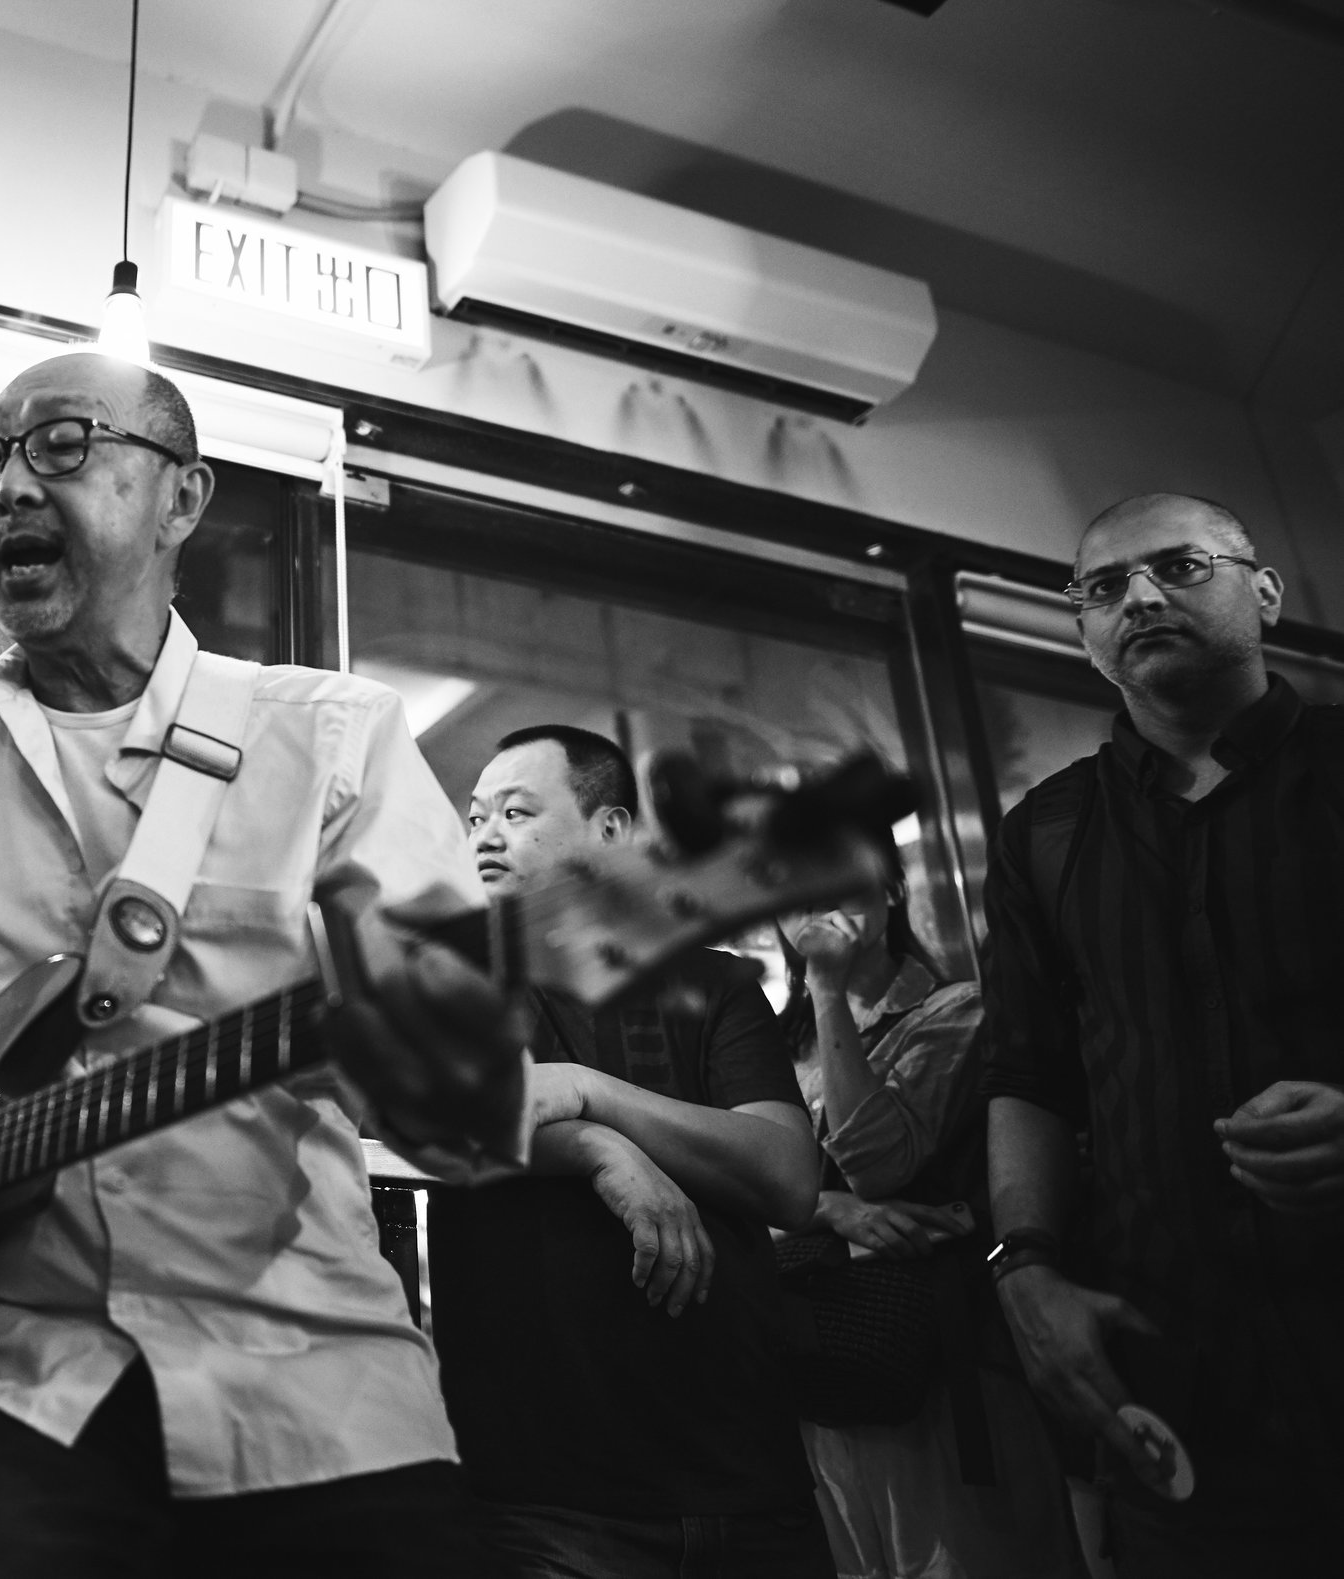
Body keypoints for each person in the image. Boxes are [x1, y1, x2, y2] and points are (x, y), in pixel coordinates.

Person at [0, 351, 524, 1578]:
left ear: (183, 499)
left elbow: (464, 1117)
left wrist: (433, 1056)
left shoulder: (330, 736)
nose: (6, 491)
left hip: (316, 1388)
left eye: (60, 446)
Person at [982, 492, 1344, 1577]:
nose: (1139, 596)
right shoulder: (1045, 829)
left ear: (1262, 592)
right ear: (1085, 631)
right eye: (1103, 587)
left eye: (1179, 566)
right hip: (1180, 1381)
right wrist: (1023, 1268)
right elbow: (1028, 1071)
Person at [432, 724, 831, 1578]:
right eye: (475, 817)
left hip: (749, 1477)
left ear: (610, 833)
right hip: (549, 1498)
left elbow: (789, 1176)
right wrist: (602, 1151)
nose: (485, 834)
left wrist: (594, 1090)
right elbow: (444, 1116)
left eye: (517, 810)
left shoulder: (716, 983)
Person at [776, 873, 1076, 1578]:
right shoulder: (765, 1040)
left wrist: (826, 988)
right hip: (819, 1369)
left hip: (942, 1366)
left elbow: (880, 1161)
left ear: (889, 887)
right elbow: (739, 1195)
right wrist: (825, 1208)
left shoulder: (957, 1009)